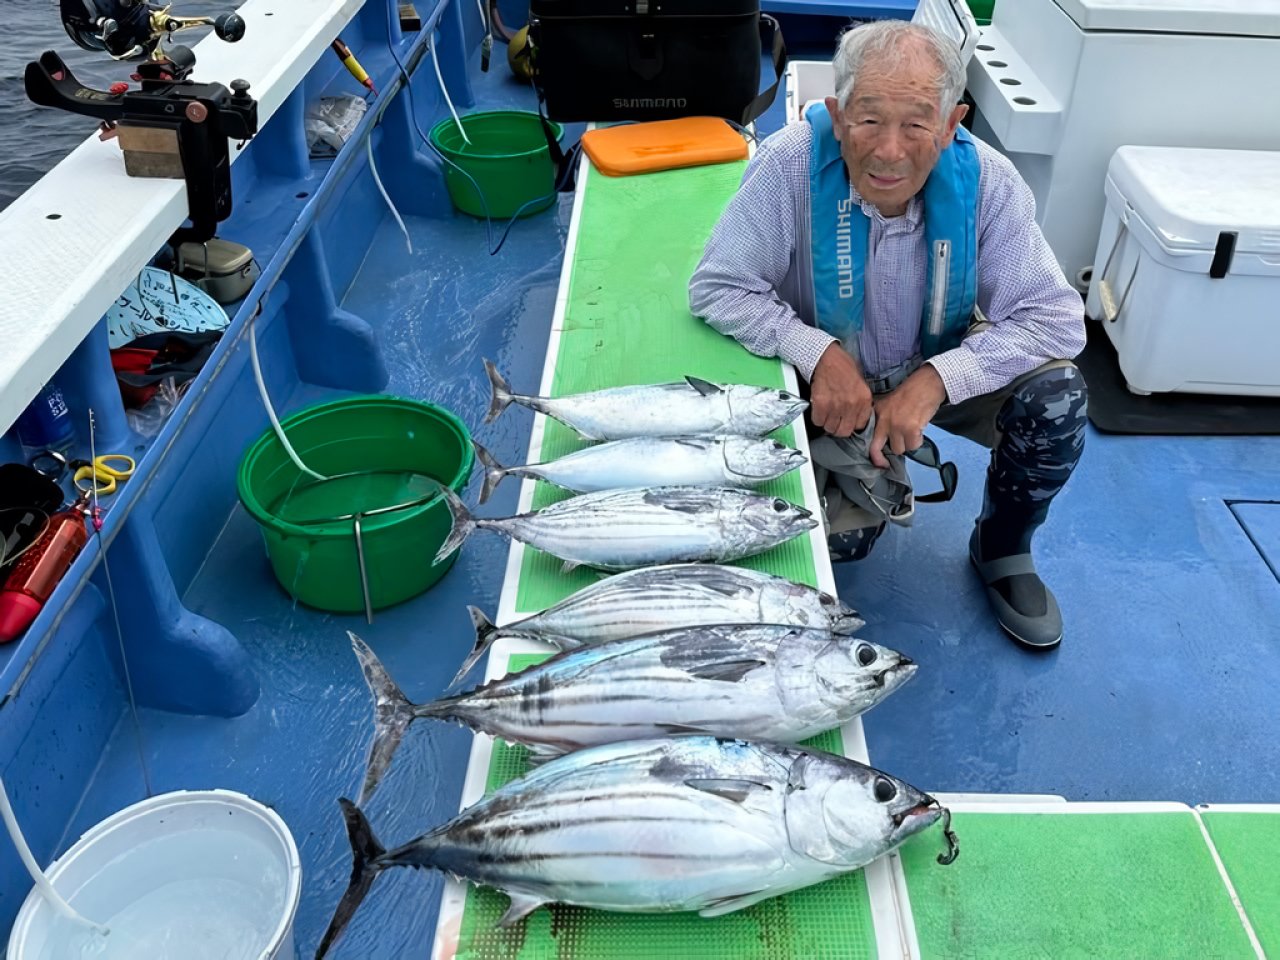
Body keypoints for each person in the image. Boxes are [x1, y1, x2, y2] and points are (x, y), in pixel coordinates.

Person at [688, 19, 1087, 650]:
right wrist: (815, 353)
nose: (890, 151)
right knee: (842, 542)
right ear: (837, 114)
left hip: (934, 354)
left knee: (1056, 396)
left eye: (917, 124)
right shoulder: (788, 164)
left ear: (953, 124)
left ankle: (1003, 547)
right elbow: (717, 286)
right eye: (869, 120)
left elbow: (1056, 317)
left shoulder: (988, 181)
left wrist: (937, 381)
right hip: (827, 389)